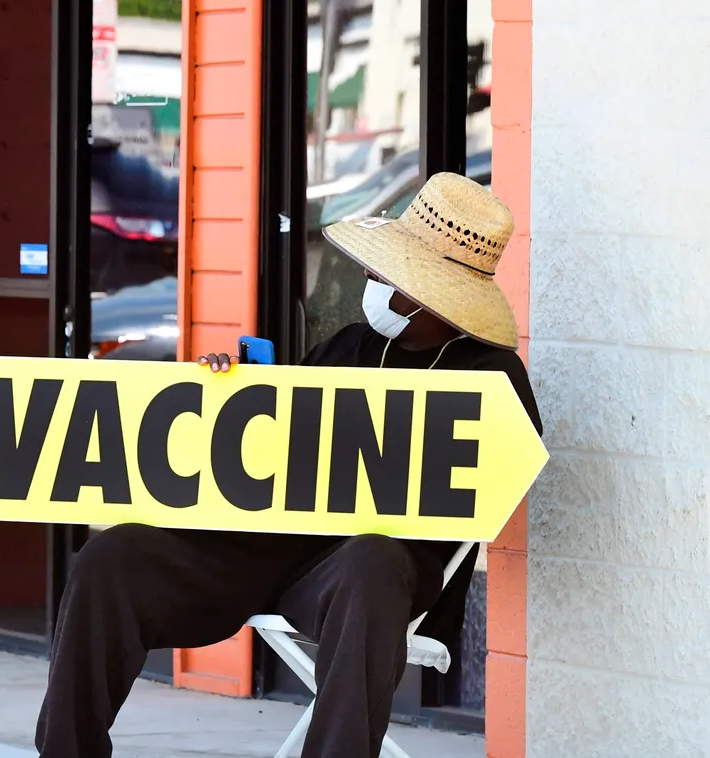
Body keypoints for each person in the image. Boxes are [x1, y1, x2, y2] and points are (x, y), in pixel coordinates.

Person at [35, 172, 542, 758]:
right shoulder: (349, 344)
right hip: (260, 549)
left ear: (431, 292)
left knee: (373, 560)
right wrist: (231, 397)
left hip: (357, 577)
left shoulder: (491, 375)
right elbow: (276, 444)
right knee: (110, 556)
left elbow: (503, 481)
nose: (372, 279)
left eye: (388, 273)